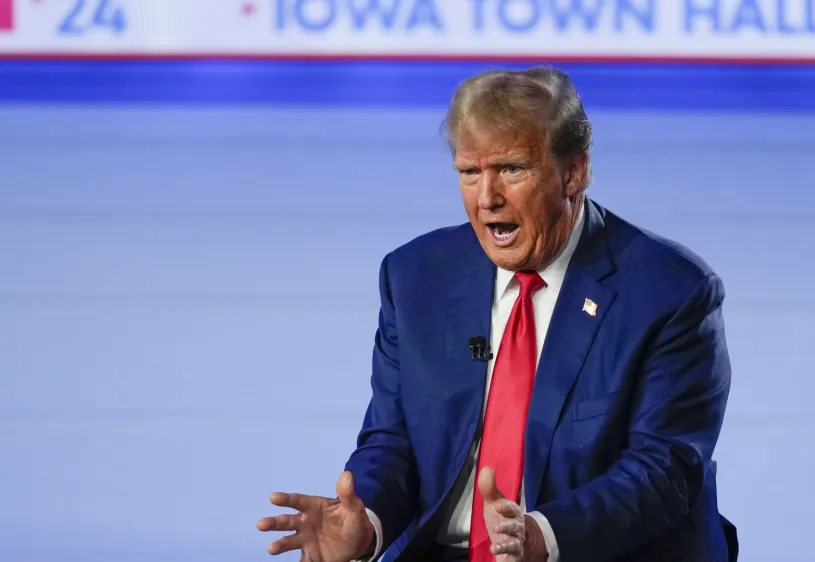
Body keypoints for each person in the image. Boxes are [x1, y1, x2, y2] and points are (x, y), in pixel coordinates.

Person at [257, 66, 738, 562]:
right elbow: (393, 440)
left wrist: (542, 536)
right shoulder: (416, 276)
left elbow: (663, 470)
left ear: (573, 172)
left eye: (511, 169)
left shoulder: (670, 291)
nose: (487, 199)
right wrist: (365, 523)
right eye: (469, 173)